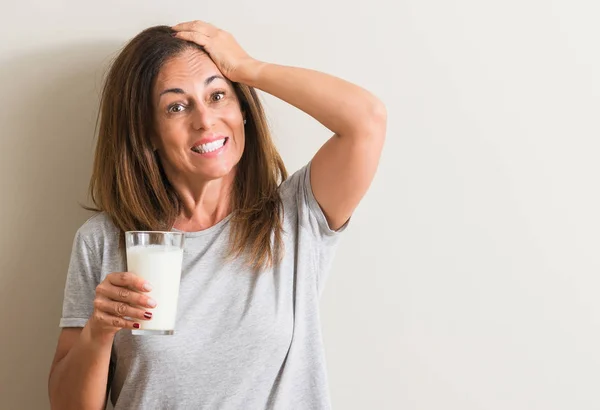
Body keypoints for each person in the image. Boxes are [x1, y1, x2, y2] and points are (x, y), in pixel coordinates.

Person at [48, 20, 386, 410]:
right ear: (147, 133)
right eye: (176, 106)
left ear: (243, 110)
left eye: (218, 95)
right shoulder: (104, 240)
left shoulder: (295, 216)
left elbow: (367, 121)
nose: (205, 120)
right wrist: (98, 332)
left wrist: (246, 68)